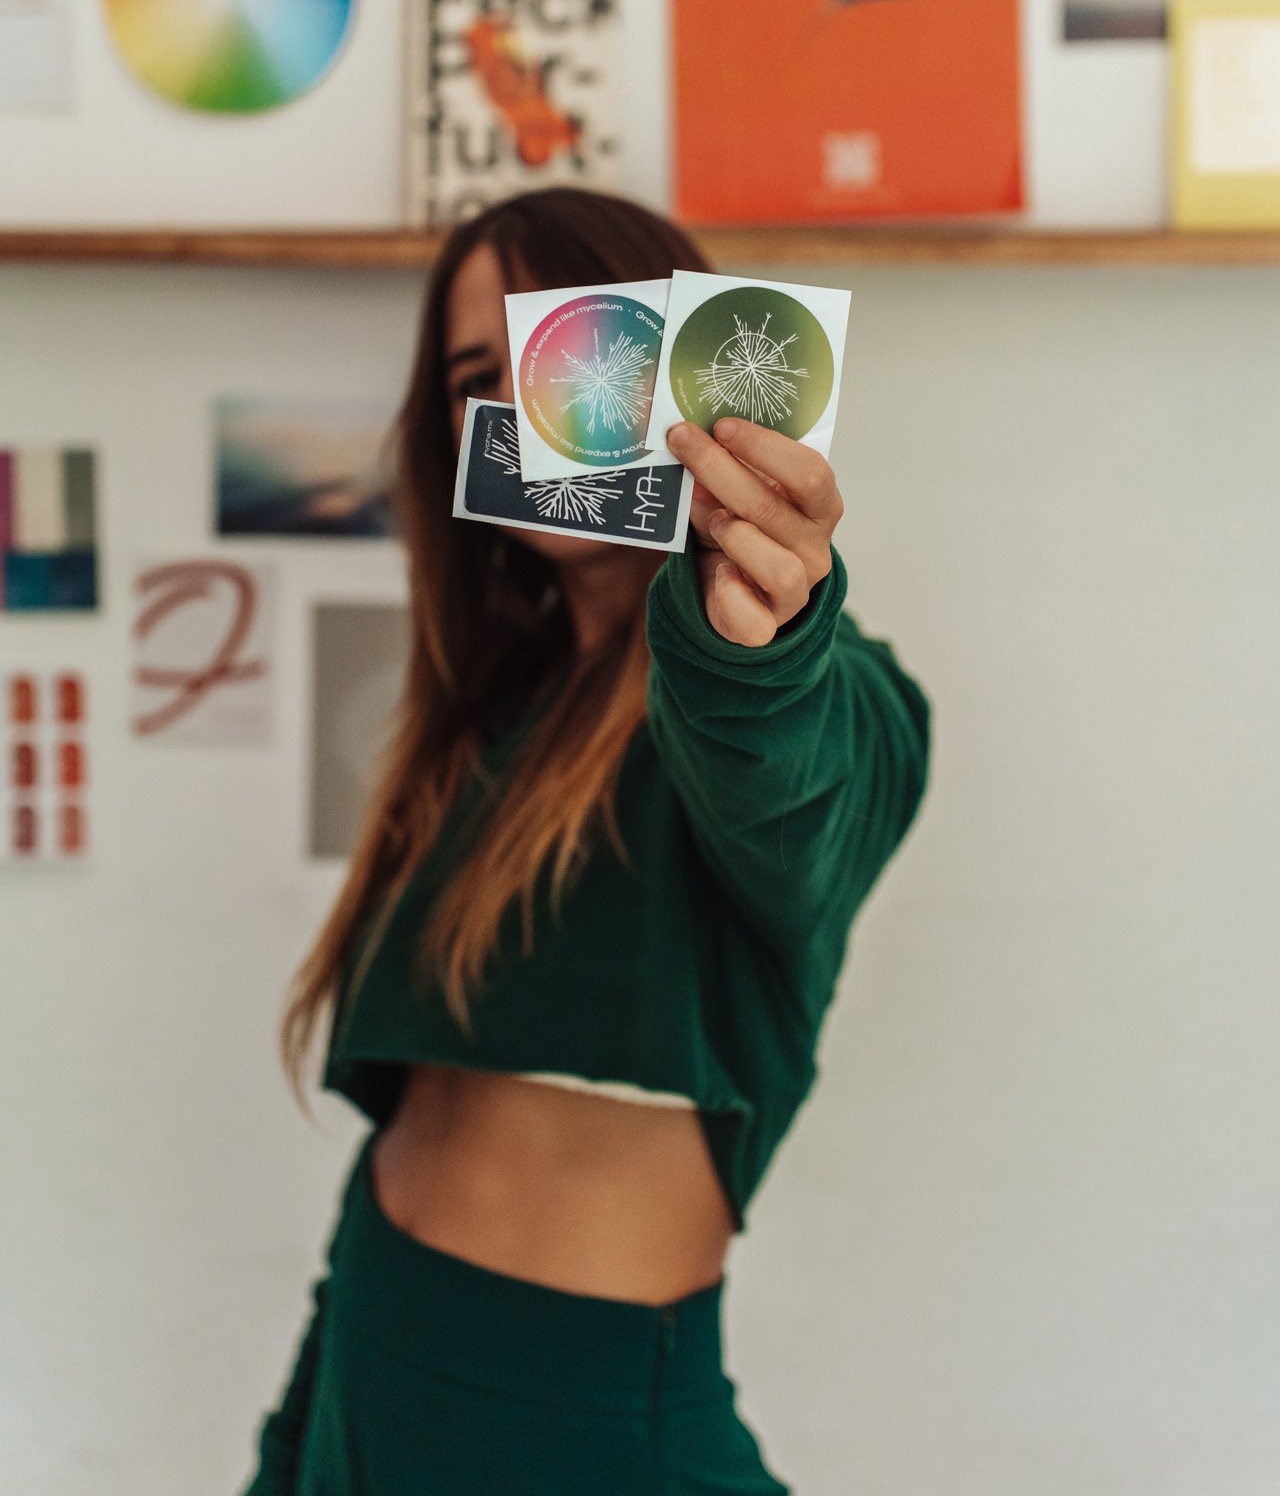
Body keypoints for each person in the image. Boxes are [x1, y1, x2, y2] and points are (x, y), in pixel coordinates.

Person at [237, 188, 931, 1496]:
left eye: (560, 344)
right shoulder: (487, 719)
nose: (514, 403)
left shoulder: (799, 686)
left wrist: (757, 646)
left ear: (681, 362)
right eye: (469, 377)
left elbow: (801, 768)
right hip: (369, 1359)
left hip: (577, 1411)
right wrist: (294, 1447)